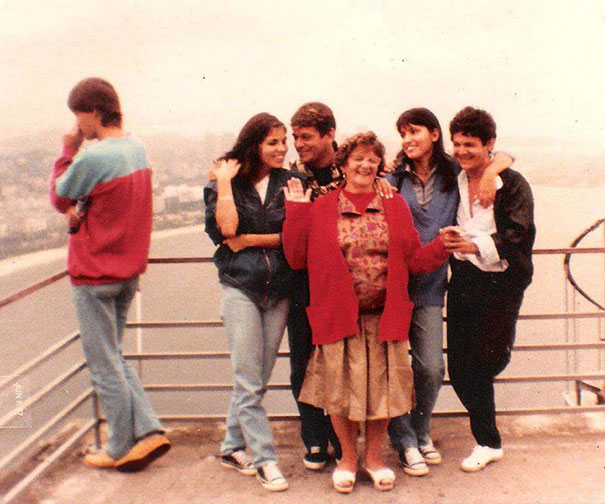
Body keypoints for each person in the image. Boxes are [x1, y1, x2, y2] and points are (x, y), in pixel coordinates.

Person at [283, 132, 450, 493]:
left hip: (383, 315)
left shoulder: (394, 205)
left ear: (380, 166)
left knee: (383, 393)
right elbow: (296, 257)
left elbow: (414, 261)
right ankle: (346, 458)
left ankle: (373, 457)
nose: (366, 164)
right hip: (338, 317)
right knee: (339, 393)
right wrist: (296, 210)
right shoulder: (323, 206)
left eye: (373, 159)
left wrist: (441, 246)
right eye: (358, 158)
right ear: (342, 165)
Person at [49, 77, 170, 472]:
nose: (77, 125)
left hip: (93, 274)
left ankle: (118, 445)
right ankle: (149, 430)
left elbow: (59, 196)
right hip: (127, 271)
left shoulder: (92, 156)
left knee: (103, 366)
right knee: (114, 357)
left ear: (95, 112)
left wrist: (68, 151)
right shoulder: (137, 149)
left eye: (79, 116)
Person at [386, 108, 514, 476]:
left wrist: (492, 170)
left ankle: (420, 428)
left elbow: (501, 156)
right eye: (402, 134)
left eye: (414, 132)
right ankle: (406, 440)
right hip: (393, 286)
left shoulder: (452, 174)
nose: (408, 140)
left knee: (430, 367)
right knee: (394, 368)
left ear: (434, 134)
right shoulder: (393, 179)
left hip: (430, 286)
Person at [287, 102, 394, 470]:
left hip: (347, 287)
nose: (299, 145)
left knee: (362, 369)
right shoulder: (293, 176)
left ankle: (349, 450)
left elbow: (383, 178)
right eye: (295, 137)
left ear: (329, 134)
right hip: (308, 283)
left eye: (306, 137)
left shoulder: (358, 169)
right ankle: (316, 441)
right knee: (309, 364)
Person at [203, 112, 295, 492]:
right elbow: (225, 230)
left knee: (256, 378)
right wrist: (224, 182)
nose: (282, 148)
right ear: (254, 144)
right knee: (248, 378)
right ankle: (264, 459)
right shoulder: (224, 183)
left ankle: (230, 446)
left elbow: (294, 239)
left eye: (284, 141)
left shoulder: (292, 183)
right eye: (273, 142)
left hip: (279, 291)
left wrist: (251, 239)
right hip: (240, 287)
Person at [442, 106, 535, 472]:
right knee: (460, 366)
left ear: (489, 145)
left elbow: (518, 234)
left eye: (471, 145)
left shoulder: (511, 183)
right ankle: (487, 439)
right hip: (464, 280)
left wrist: (474, 245)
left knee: (489, 359)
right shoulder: (455, 176)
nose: (462, 151)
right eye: (458, 144)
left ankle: (488, 440)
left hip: (501, 282)